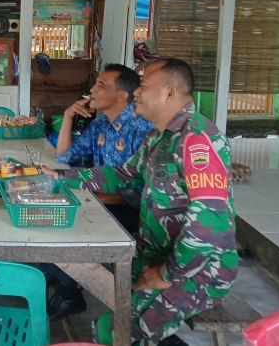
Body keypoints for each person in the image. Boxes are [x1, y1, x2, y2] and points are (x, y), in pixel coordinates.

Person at [45, 59, 237, 346]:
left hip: (199, 269)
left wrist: (166, 274)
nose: (136, 92)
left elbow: (209, 226)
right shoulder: (158, 136)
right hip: (157, 255)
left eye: (144, 85)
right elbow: (122, 175)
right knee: (89, 271)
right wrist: (60, 176)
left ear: (169, 93)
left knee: (116, 329)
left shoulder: (197, 140)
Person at [46, 63, 153, 320]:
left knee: (70, 219)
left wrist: (96, 198)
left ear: (121, 96)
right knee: (52, 211)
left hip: (133, 210)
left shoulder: (141, 129)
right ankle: (60, 274)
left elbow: (141, 191)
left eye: (101, 85)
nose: (92, 90)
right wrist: (68, 115)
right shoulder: (102, 125)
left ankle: (69, 292)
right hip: (102, 198)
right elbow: (64, 156)